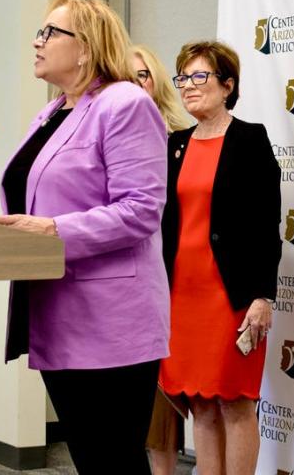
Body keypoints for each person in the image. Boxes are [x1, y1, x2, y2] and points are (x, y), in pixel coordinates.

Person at [0, 0, 169, 474]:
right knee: (91, 459)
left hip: (110, 321)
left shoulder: (125, 103)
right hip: (55, 310)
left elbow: (142, 209)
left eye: (49, 33)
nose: (36, 41)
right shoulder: (50, 114)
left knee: (113, 461)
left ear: (86, 46)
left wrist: (50, 229)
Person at [159, 40, 281, 475]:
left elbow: (269, 228)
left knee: (234, 403)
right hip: (181, 297)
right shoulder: (174, 145)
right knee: (201, 406)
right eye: (183, 78)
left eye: (200, 77)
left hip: (231, 298)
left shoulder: (250, 140)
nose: (188, 86)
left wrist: (263, 296)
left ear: (228, 85)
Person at [131, 43, 189, 475]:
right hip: (123, 288)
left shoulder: (180, 144)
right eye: (125, 78)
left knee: (169, 403)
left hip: (175, 284)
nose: (134, 86)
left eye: (142, 76)